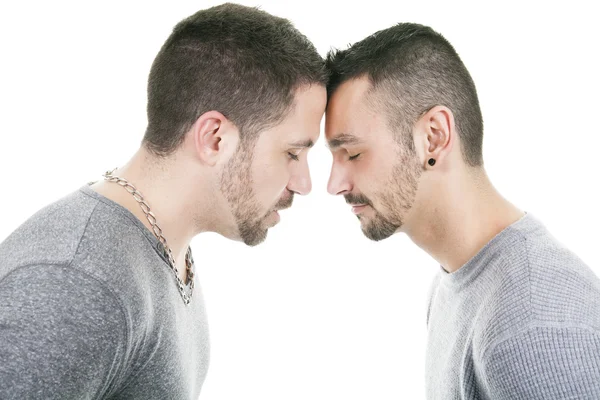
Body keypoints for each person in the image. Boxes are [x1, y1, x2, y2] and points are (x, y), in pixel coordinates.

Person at [0, 3, 326, 399]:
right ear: (214, 139)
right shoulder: (75, 282)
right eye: (292, 153)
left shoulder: (163, 246)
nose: (304, 183)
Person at [325, 22, 600, 399]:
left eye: (353, 153)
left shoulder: (533, 323)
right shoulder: (454, 283)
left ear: (433, 136)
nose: (334, 183)